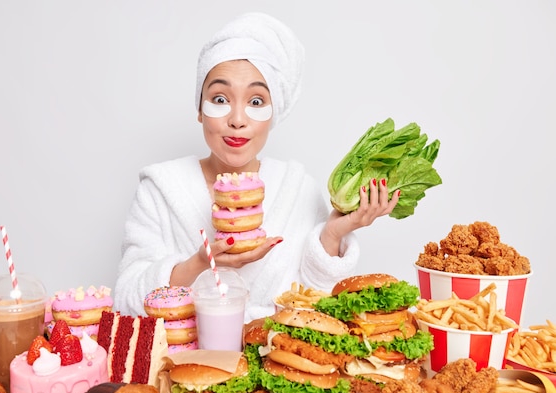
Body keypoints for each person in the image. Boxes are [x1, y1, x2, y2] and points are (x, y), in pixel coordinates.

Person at [114, 12, 400, 321]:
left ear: (273, 114)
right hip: (183, 359)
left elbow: (317, 303)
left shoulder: (298, 189)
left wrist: (332, 235)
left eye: (255, 102)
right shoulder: (160, 188)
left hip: (275, 359)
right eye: (220, 99)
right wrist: (200, 262)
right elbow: (126, 297)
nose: (237, 119)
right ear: (199, 109)